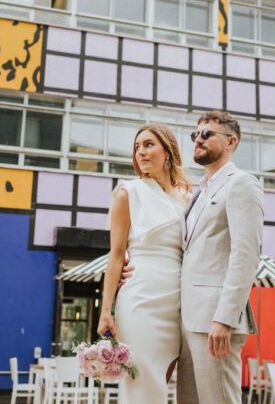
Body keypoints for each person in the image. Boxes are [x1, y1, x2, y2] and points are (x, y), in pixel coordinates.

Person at [97, 123, 191, 403]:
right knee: (140, 383)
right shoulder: (127, 193)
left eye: (149, 144)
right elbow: (115, 255)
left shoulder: (188, 198)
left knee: (160, 384)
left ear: (168, 151)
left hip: (178, 301)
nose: (141, 152)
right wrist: (106, 310)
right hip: (139, 300)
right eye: (137, 147)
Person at [176, 110, 263, 404]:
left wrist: (224, 319)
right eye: (195, 134)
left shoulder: (242, 184)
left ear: (231, 142)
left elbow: (246, 254)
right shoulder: (197, 192)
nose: (198, 140)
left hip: (215, 322)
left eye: (207, 134)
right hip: (188, 321)